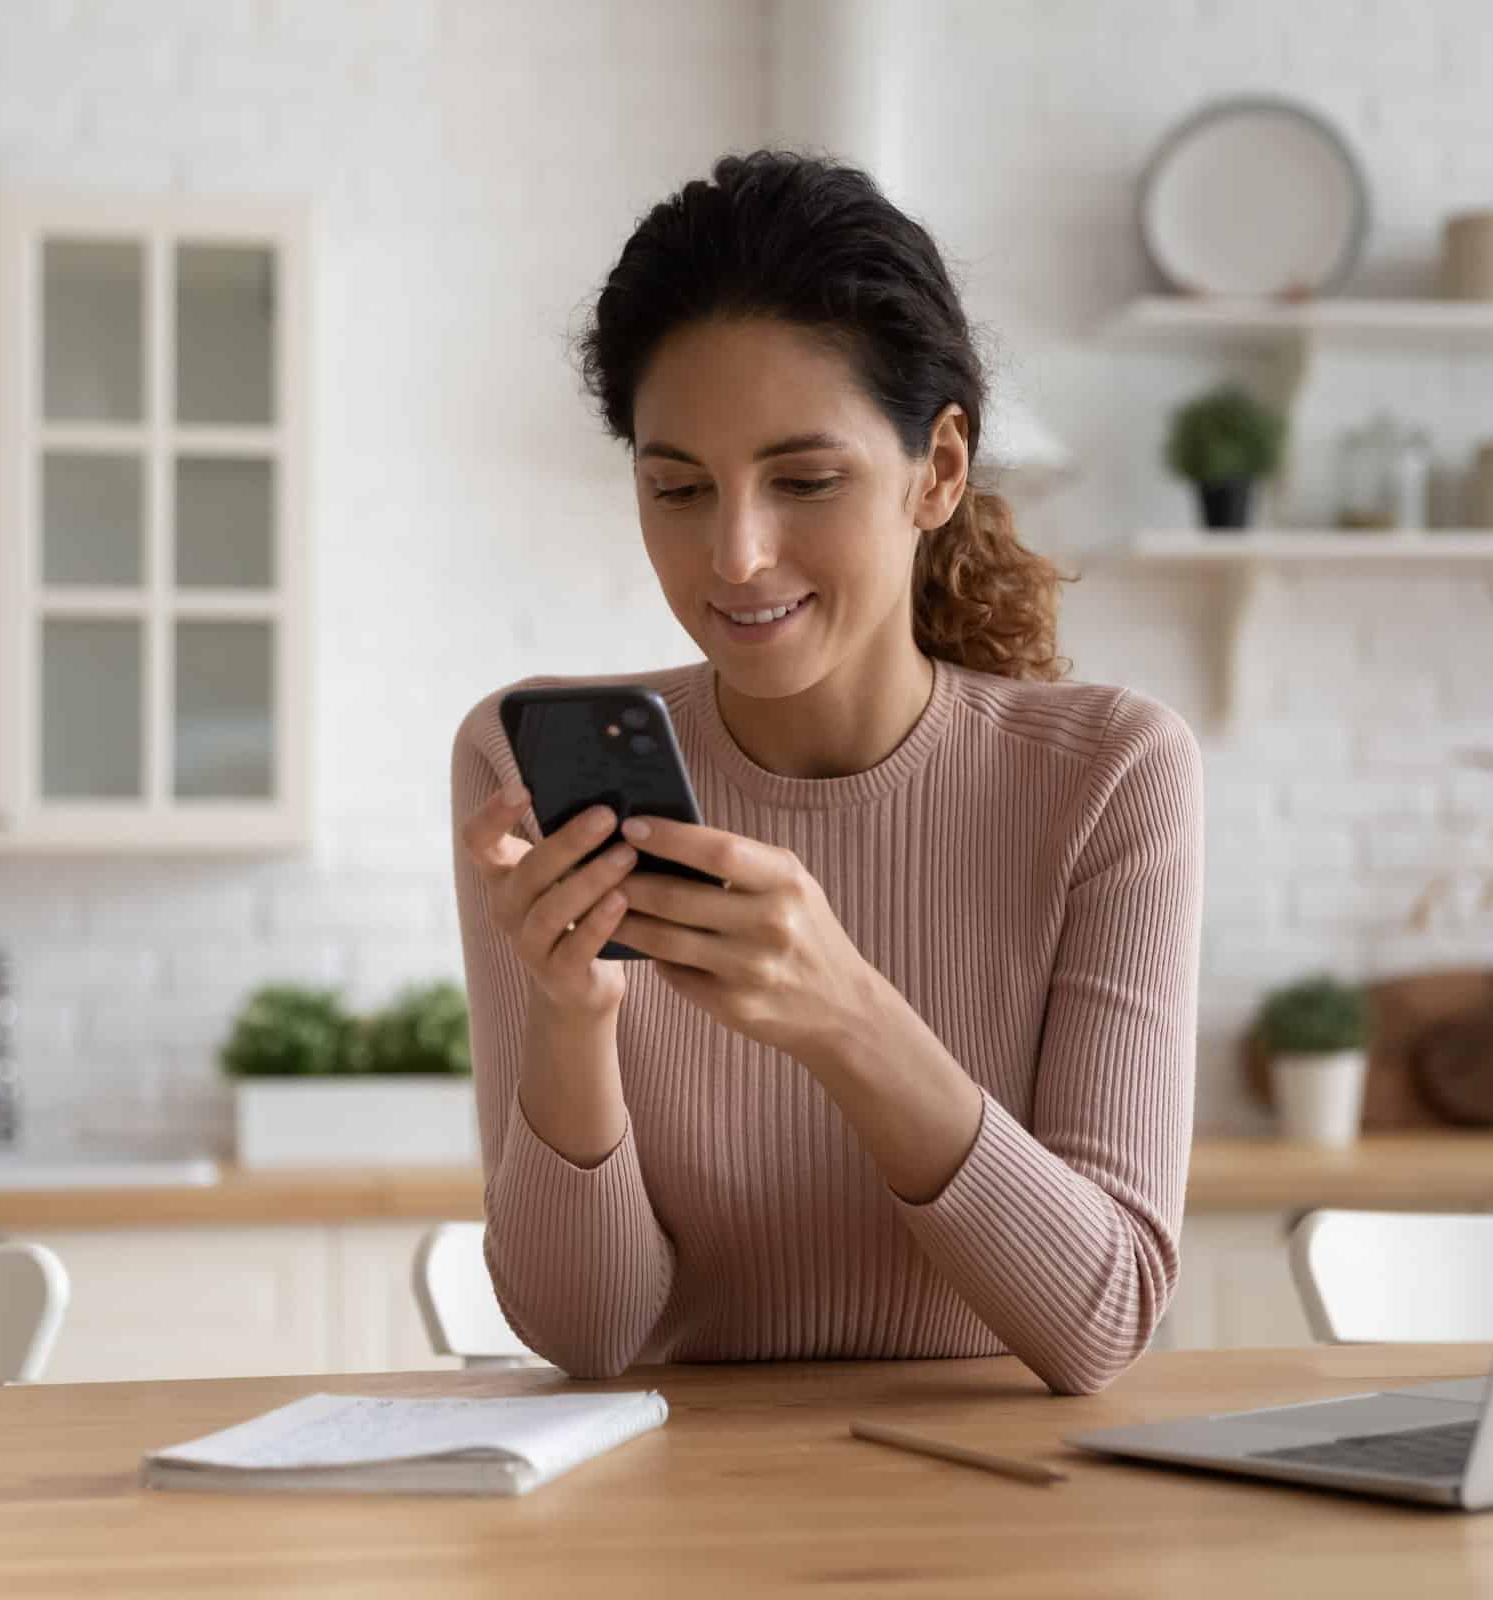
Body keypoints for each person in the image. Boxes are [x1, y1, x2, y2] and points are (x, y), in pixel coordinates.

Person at [450, 150, 1203, 1395]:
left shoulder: (1110, 777)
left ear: (939, 471)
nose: (735, 554)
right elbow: (589, 1337)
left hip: (1006, 1524)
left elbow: (1098, 1318)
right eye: (677, 487)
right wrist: (574, 1018)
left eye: (804, 480)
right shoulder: (517, 762)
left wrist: (845, 1012)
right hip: (664, 1533)